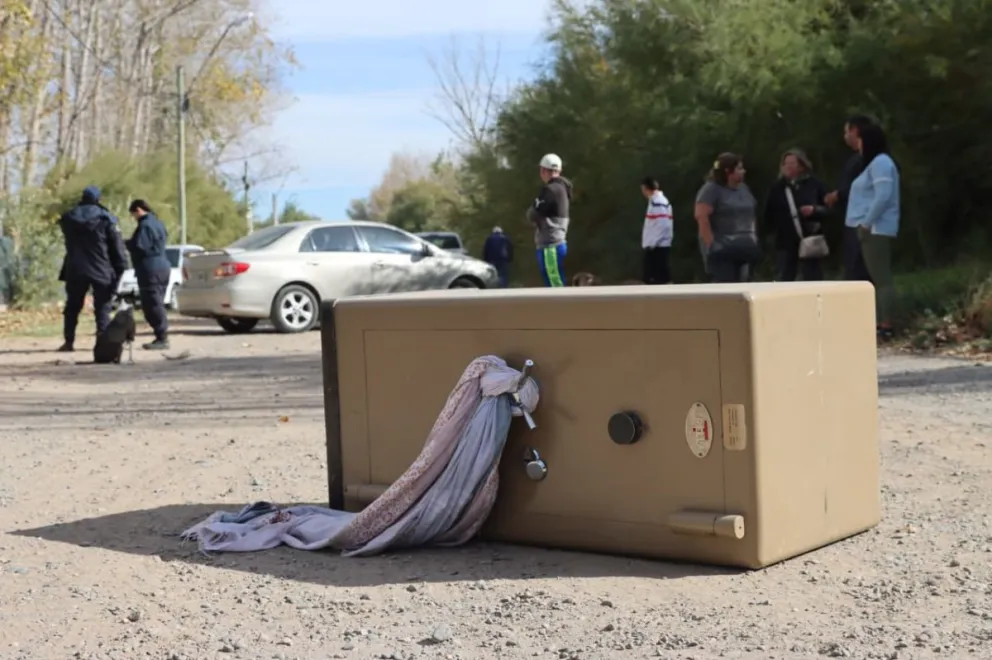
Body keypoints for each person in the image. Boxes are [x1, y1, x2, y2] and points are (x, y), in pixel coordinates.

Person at [57, 185, 127, 352]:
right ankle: (102, 342)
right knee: (102, 307)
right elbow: (116, 247)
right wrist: (121, 267)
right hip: (101, 268)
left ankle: (68, 342)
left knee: (72, 307)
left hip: (75, 268)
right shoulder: (106, 219)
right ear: (98, 199)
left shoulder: (68, 218)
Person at [846, 123, 900, 340]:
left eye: (860, 140)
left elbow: (883, 195)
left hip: (876, 228)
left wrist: (867, 222)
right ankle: (878, 321)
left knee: (882, 278)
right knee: (875, 278)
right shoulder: (874, 164)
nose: (857, 144)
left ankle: (887, 324)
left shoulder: (881, 163)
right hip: (869, 227)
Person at [763, 148, 829, 281]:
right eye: (785, 163)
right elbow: (768, 214)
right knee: (785, 277)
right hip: (785, 241)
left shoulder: (814, 184)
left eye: (792, 163)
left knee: (813, 277)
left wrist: (814, 210)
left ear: (802, 165)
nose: (788, 167)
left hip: (809, 238)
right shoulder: (777, 188)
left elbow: (828, 208)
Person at [694, 153, 761, 283]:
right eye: (739, 168)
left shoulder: (744, 189)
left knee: (744, 283)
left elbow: (751, 213)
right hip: (722, 249)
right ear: (728, 171)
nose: (743, 171)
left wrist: (754, 237)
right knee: (726, 284)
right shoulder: (711, 190)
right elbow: (701, 216)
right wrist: (710, 244)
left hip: (745, 247)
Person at [826, 115, 874, 282]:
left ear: (855, 130)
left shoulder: (870, 158)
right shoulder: (855, 159)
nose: (845, 136)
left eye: (847, 132)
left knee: (861, 268)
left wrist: (839, 195)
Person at [125, 199, 171, 350]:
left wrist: (124, 243)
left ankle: (162, 337)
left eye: (133, 214)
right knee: (158, 301)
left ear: (138, 210)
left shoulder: (145, 225)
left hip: (150, 267)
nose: (134, 218)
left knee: (152, 303)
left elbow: (140, 246)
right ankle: (161, 335)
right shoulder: (159, 223)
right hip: (163, 265)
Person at [526, 153, 572, 287]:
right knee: (556, 281)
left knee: (555, 284)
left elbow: (533, 214)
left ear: (543, 170)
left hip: (550, 245)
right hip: (557, 242)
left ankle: (561, 302)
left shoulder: (550, 190)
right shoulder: (563, 189)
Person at [640, 177, 674, 284]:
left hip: (657, 246)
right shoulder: (656, 201)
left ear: (645, 188)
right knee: (656, 277)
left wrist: (653, 243)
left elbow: (664, 224)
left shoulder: (658, 202)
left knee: (655, 279)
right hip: (656, 245)